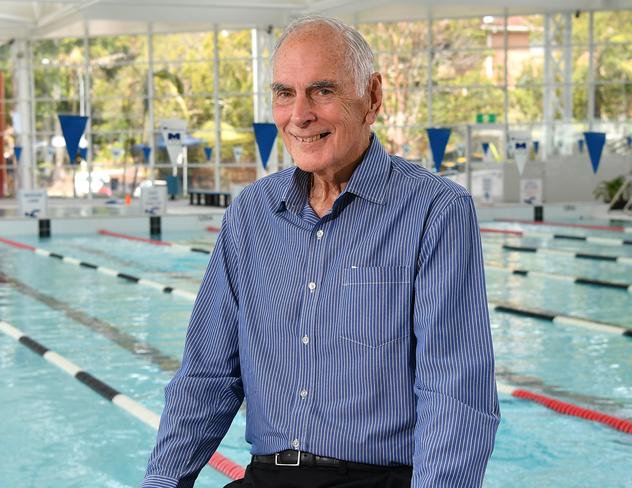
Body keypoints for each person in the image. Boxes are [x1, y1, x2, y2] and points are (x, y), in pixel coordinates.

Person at [142, 16, 499, 488]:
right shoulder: (251, 214)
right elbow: (207, 376)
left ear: (372, 97)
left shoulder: (434, 211)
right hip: (268, 476)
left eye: (322, 91)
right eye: (285, 93)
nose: (300, 114)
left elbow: (456, 393)